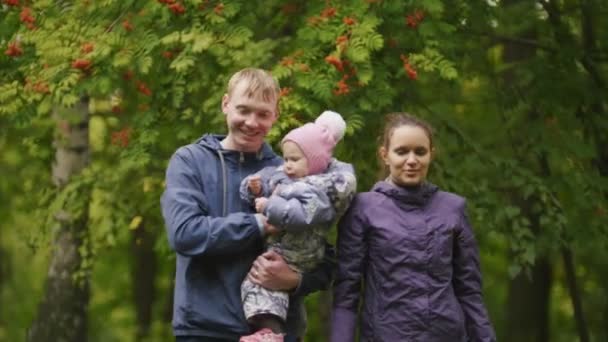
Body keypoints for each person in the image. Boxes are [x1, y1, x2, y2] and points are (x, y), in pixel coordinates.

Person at [161, 68, 346, 342]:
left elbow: (325, 259)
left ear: (276, 115)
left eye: (262, 113)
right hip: (204, 329)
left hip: (279, 331)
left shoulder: (291, 172)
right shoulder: (190, 162)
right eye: (243, 110)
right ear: (226, 104)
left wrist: (296, 280)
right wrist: (260, 224)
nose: (251, 122)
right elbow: (185, 233)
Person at [331, 113, 496, 342]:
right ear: (385, 155)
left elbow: (469, 292)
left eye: (420, 151)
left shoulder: (453, 208)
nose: (412, 160)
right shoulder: (362, 209)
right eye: (402, 151)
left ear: (431, 154)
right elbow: (346, 293)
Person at [239, 111, 356, 342]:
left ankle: (270, 333)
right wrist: (252, 188)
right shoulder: (289, 177)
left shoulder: (316, 192)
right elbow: (268, 178)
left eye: (294, 160)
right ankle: (268, 332)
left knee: (259, 284)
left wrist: (269, 206)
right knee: (261, 285)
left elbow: (301, 216)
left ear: (314, 162)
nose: (287, 165)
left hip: (300, 252)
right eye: (286, 159)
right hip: (285, 249)